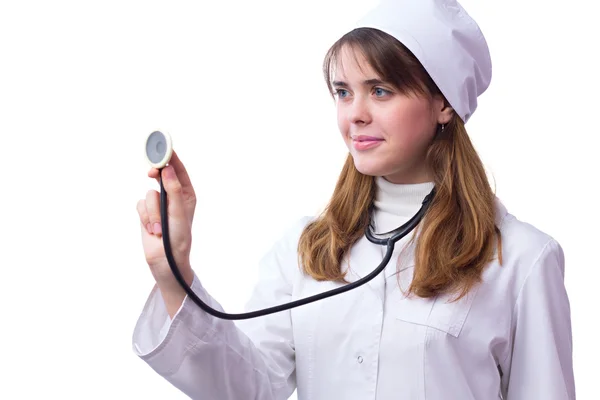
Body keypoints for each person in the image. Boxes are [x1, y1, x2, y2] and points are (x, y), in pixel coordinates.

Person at [132, 0, 576, 398]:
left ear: (444, 103)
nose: (354, 114)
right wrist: (175, 274)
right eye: (343, 91)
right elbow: (249, 389)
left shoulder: (520, 260)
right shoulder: (306, 249)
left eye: (380, 90)